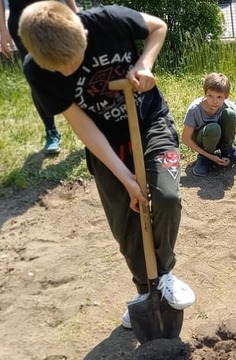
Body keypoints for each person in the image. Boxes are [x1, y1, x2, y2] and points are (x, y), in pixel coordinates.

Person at [18, 1, 195, 329]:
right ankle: (145, 291)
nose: (68, 72)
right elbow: (80, 122)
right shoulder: (35, 69)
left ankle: (165, 272)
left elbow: (158, 27)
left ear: (83, 33)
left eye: (74, 62)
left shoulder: (108, 20)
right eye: (60, 69)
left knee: (166, 198)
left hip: (150, 122)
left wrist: (144, 63)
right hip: (105, 142)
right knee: (125, 225)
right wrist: (125, 176)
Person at [0, 0, 78, 155]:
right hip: (21, 22)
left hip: (52, 16)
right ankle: (51, 132)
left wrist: (76, 13)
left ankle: (88, 126)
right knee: (36, 77)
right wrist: (3, 31)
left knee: (70, 69)